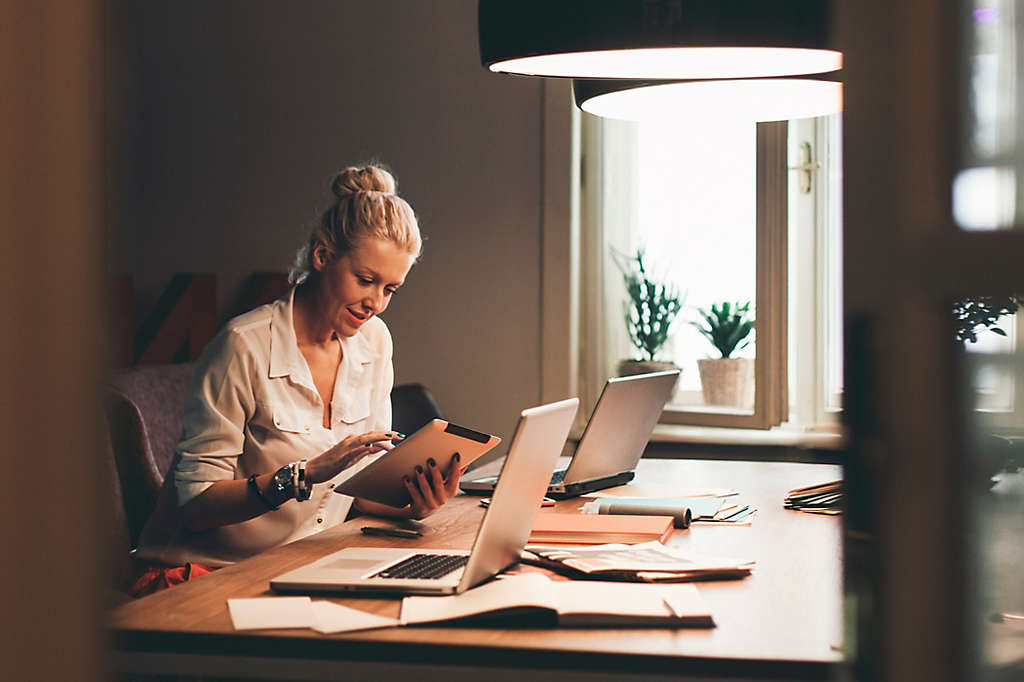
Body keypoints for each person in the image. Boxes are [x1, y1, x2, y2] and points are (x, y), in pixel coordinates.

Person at [133, 164, 460, 592]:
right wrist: (303, 474)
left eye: (390, 289)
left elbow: (349, 494)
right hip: (202, 576)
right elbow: (194, 506)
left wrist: (413, 503)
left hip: (298, 568)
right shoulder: (242, 346)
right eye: (365, 280)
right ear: (322, 257)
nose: (376, 303)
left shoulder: (374, 342)